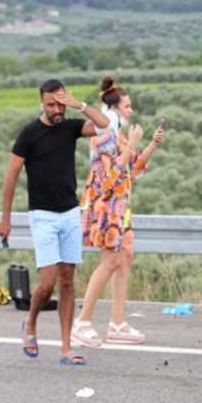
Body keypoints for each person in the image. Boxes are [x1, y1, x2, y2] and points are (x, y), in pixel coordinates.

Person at [0, 79, 111, 366]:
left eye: (60, 103)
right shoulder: (29, 134)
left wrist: (80, 105)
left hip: (70, 212)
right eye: (51, 104)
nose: (57, 109)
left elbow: (105, 125)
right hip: (43, 215)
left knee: (68, 281)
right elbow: (10, 178)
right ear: (42, 104)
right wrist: (6, 217)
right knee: (47, 282)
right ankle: (31, 323)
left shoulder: (70, 127)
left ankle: (65, 348)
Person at [71, 76, 164, 347]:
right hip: (106, 206)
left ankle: (117, 322)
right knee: (111, 260)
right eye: (127, 106)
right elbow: (110, 177)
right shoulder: (102, 138)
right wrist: (133, 143)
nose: (130, 110)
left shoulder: (118, 137)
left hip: (120, 207)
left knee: (126, 256)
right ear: (114, 108)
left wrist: (152, 146)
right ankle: (83, 321)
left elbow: (133, 169)